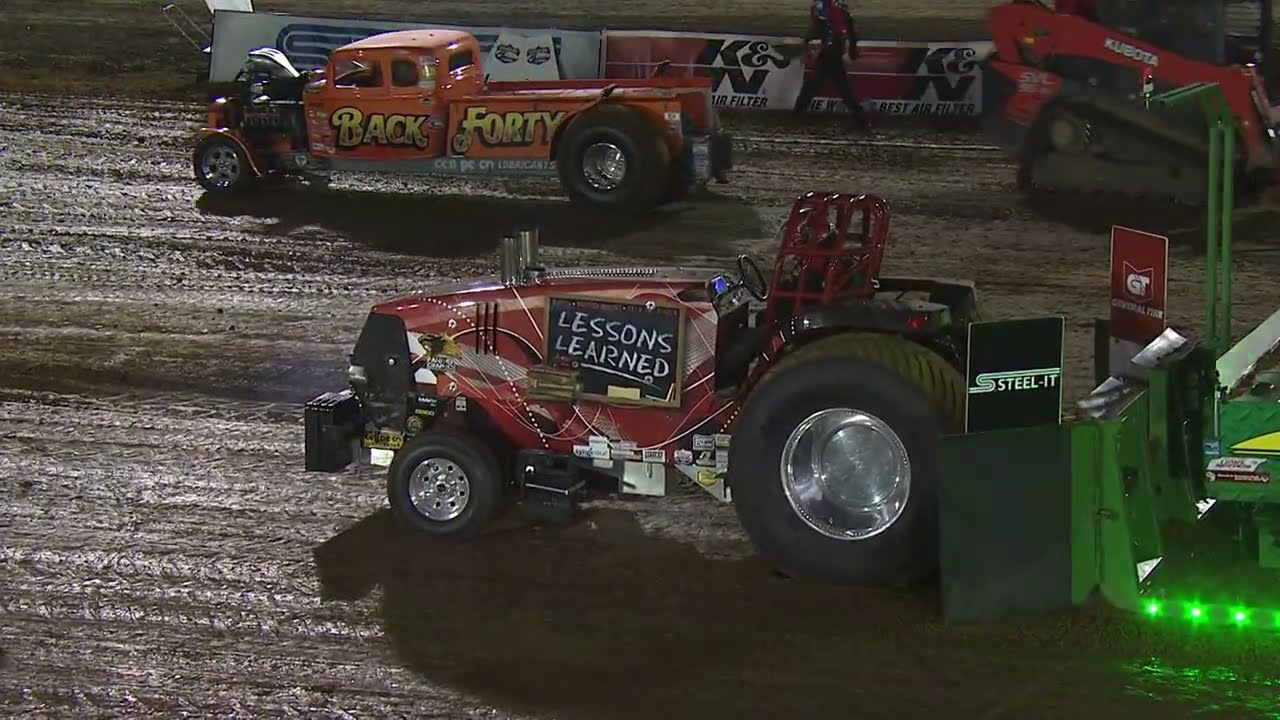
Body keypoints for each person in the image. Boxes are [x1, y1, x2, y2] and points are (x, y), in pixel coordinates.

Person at [793, 0, 871, 131]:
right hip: (834, 50)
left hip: (830, 51)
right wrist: (852, 47)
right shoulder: (837, 6)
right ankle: (861, 118)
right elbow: (847, 26)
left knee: (818, 84)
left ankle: (798, 112)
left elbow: (824, 27)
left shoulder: (822, 7)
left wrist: (811, 42)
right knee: (838, 86)